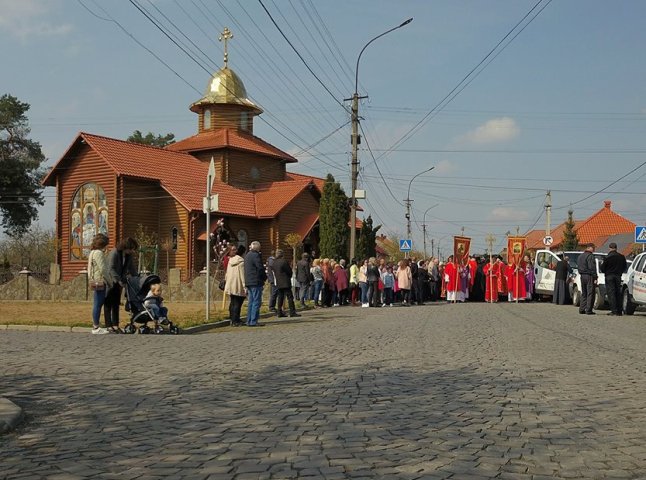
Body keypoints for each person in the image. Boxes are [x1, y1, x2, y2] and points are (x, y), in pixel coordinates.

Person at [105, 237, 139, 333]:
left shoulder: (128, 256)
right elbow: (110, 268)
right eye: (131, 249)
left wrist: (137, 278)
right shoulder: (115, 253)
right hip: (110, 280)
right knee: (108, 303)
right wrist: (117, 280)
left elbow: (131, 268)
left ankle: (115, 325)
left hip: (119, 281)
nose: (132, 251)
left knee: (116, 303)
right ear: (126, 247)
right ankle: (108, 325)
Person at [87, 233, 110, 334]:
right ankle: (96, 326)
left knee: (97, 303)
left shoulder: (92, 252)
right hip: (100, 281)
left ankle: (96, 325)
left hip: (94, 280)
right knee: (98, 303)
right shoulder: (99, 253)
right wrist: (109, 281)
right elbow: (103, 269)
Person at [270, 249, 300, 318]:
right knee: (289, 297)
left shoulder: (274, 263)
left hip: (278, 281)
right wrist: (289, 276)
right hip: (285, 281)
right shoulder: (284, 262)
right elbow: (289, 271)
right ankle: (292, 312)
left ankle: (279, 312)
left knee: (280, 297)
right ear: (282, 255)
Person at [244, 241, 267, 326]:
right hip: (256, 281)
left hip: (249, 281)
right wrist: (264, 277)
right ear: (258, 248)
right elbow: (260, 268)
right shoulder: (256, 255)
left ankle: (249, 320)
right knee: (256, 301)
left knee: (251, 301)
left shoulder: (247, 255)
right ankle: (253, 321)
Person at [601, 242, 627, 316]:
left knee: (611, 293)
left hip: (609, 276)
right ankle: (619, 310)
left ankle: (614, 310)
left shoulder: (607, 257)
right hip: (618, 276)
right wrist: (620, 272)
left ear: (609, 248)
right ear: (616, 248)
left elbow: (602, 268)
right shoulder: (622, 257)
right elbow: (624, 267)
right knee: (618, 292)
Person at [224, 245, 246, 326]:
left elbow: (227, 273)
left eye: (235, 249)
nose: (235, 251)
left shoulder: (230, 261)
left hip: (231, 284)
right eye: (233, 250)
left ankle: (232, 319)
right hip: (238, 285)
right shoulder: (241, 262)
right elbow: (242, 275)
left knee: (233, 302)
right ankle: (236, 320)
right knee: (237, 303)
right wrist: (244, 286)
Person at [577, 245, 597, 315]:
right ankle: (588, 310)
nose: (594, 250)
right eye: (593, 248)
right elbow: (592, 267)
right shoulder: (590, 256)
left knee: (584, 293)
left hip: (582, 276)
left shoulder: (580, 256)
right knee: (590, 293)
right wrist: (595, 277)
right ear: (590, 248)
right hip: (589, 276)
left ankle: (582, 309)